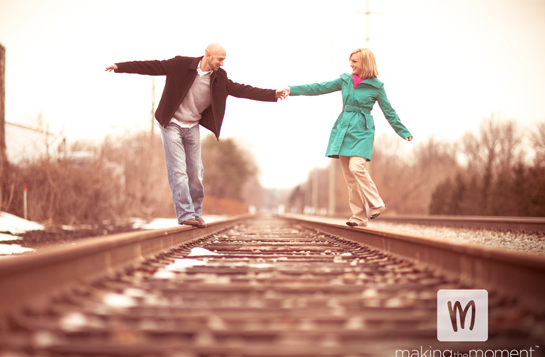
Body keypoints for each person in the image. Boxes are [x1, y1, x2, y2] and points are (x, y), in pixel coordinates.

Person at [106, 43, 287, 228]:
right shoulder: (180, 65)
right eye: (220, 59)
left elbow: (243, 90)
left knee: (195, 174)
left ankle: (196, 213)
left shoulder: (219, 78)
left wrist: (273, 94)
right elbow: (152, 66)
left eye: (224, 59)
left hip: (192, 126)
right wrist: (121, 66)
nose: (222, 63)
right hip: (171, 123)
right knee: (178, 171)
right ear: (207, 55)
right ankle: (185, 214)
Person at [284, 48, 413, 227]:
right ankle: (359, 217)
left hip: (362, 130)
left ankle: (376, 204)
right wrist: (292, 90)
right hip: (343, 129)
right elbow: (319, 88)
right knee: (350, 179)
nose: (350, 64)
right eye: (350, 61)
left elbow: (389, 112)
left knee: (356, 167)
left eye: (355, 61)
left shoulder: (376, 86)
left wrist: (403, 131)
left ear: (365, 63)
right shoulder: (345, 80)